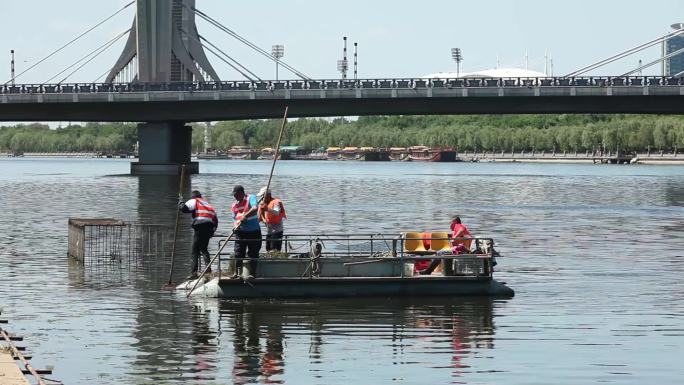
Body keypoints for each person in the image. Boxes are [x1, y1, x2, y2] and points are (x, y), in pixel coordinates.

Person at [180, 190, 218, 279]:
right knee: (204, 249)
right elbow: (215, 220)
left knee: (194, 251)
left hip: (200, 226)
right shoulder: (209, 205)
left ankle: (194, 273)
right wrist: (212, 232)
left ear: (193, 196)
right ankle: (208, 271)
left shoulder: (194, 200)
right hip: (209, 227)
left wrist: (180, 201)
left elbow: (184, 209)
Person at [231, 185, 262, 279]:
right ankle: (237, 273)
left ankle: (252, 274)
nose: (234, 197)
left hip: (254, 231)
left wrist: (246, 216)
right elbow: (234, 218)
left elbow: (255, 208)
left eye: (236, 194)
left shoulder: (251, 198)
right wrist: (235, 226)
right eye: (234, 195)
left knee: (253, 252)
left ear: (241, 193)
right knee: (238, 252)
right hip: (241, 232)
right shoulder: (234, 205)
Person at [257, 187, 287, 252]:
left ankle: (275, 261)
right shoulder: (262, 204)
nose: (261, 198)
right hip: (269, 231)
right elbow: (259, 218)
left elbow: (277, 212)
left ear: (267, 195)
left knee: (274, 249)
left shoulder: (276, 202)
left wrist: (267, 209)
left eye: (262, 196)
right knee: (268, 249)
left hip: (277, 231)